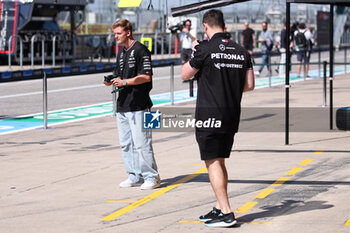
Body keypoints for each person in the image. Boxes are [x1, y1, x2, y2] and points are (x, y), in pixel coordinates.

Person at [181, 9, 255, 228]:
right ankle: (218, 207)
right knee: (219, 161)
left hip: (209, 115)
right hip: (231, 114)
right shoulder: (242, 51)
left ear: (205, 26)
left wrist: (194, 53)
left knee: (212, 162)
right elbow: (249, 85)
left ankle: (227, 212)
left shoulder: (204, 49)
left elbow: (185, 74)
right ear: (223, 25)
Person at [103, 19, 160, 190]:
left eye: (118, 33)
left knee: (142, 143)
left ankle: (152, 177)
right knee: (126, 144)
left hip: (140, 105)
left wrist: (126, 82)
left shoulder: (141, 50)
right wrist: (111, 81)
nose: (116, 37)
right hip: (123, 105)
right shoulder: (121, 52)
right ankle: (134, 175)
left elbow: (147, 76)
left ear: (128, 32)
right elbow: (119, 74)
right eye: (115, 34)